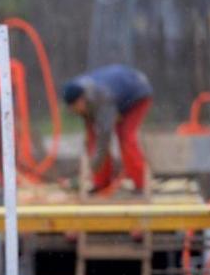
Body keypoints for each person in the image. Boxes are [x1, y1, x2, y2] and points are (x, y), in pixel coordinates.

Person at [63, 64, 153, 193]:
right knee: (93, 140)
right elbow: (93, 138)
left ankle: (141, 184)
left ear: (82, 100)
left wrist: (90, 171)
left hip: (137, 95)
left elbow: (104, 138)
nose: (75, 111)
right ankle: (101, 183)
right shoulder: (80, 94)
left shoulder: (102, 98)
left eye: (76, 107)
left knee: (125, 136)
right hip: (115, 97)